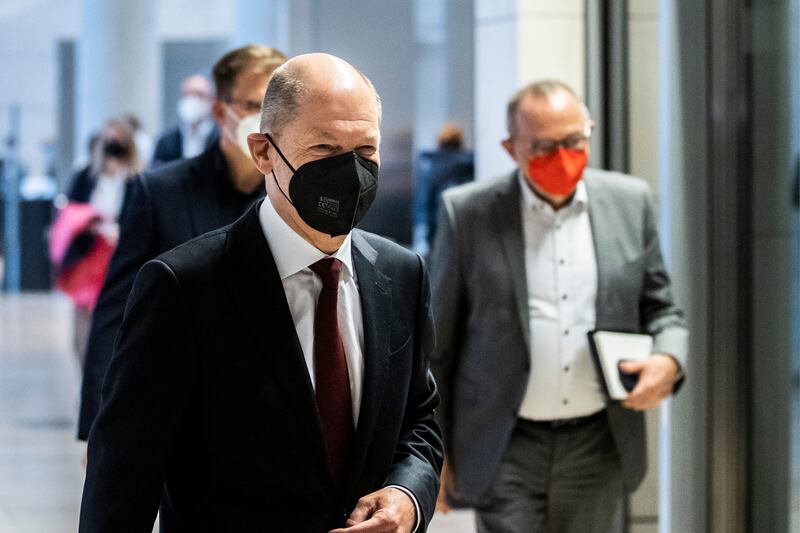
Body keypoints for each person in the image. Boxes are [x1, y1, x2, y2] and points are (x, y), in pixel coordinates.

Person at [79, 52, 443, 533]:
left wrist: (406, 496)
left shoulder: (401, 274)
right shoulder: (184, 287)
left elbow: (418, 419)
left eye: (365, 151)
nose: (351, 172)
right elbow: (122, 484)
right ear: (264, 152)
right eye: (324, 149)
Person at [429, 80, 688, 533]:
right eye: (544, 147)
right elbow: (438, 346)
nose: (564, 157)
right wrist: (436, 450)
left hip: (598, 440)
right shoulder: (467, 214)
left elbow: (663, 308)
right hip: (503, 440)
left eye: (574, 141)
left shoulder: (631, 202)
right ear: (512, 149)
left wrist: (669, 358)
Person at [76, 44, 286, 441]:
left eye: (278, 107)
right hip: (181, 417)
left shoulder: (295, 196)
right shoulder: (160, 192)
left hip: (274, 417)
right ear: (221, 111)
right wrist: (99, 424)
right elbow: (116, 312)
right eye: (256, 105)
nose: (268, 121)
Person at [53, 119, 141, 366]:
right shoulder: (87, 175)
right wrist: (91, 224)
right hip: (89, 254)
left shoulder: (137, 178)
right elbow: (70, 210)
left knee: (116, 322)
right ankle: (88, 382)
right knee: (82, 330)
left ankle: (109, 383)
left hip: (121, 255)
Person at [411, 122, 473, 256]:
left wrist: (422, 228)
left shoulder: (431, 164)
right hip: (465, 226)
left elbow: (423, 200)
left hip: (436, 226)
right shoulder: (469, 164)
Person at [151, 74, 217, 165]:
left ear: (211, 101)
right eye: (187, 94)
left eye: (199, 95)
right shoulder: (166, 142)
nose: (192, 100)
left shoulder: (222, 140)